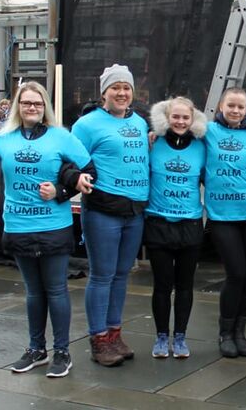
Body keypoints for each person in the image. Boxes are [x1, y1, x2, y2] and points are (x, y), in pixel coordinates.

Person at [0, 82, 96, 378]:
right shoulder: (5, 139)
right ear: (18, 106)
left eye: (37, 103)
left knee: (57, 290)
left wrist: (61, 191)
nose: (32, 108)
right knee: (34, 292)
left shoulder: (62, 137)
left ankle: (62, 351)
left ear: (45, 106)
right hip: (18, 225)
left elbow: (90, 172)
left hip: (53, 226)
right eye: (26, 103)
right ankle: (37, 349)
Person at [72, 64, 150, 367]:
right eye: (115, 87)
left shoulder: (140, 123)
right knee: (102, 275)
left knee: (121, 275)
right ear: (104, 92)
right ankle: (99, 338)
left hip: (134, 212)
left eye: (126, 88)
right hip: (103, 211)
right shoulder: (87, 124)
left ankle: (115, 334)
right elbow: (70, 161)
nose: (121, 93)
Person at [204, 87, 246, 358]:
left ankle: (240, 332)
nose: (236, 111)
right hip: (221, 217)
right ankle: (225, 332)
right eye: (231, 105)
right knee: (236, 273)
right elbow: (177, 127)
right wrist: (154, 133)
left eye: (241, 107)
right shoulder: (207, 132)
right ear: (220, 105)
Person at [145, 97, 207, 360]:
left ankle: (180, 336)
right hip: (158, 223)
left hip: (190, 225)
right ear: (166, 118)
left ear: (193, 120)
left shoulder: (202, 147)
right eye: (176, 117)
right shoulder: (152, 143)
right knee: (161, 285)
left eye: (185, 117)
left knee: (185, 286)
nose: (181, 122)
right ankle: (161, 336)